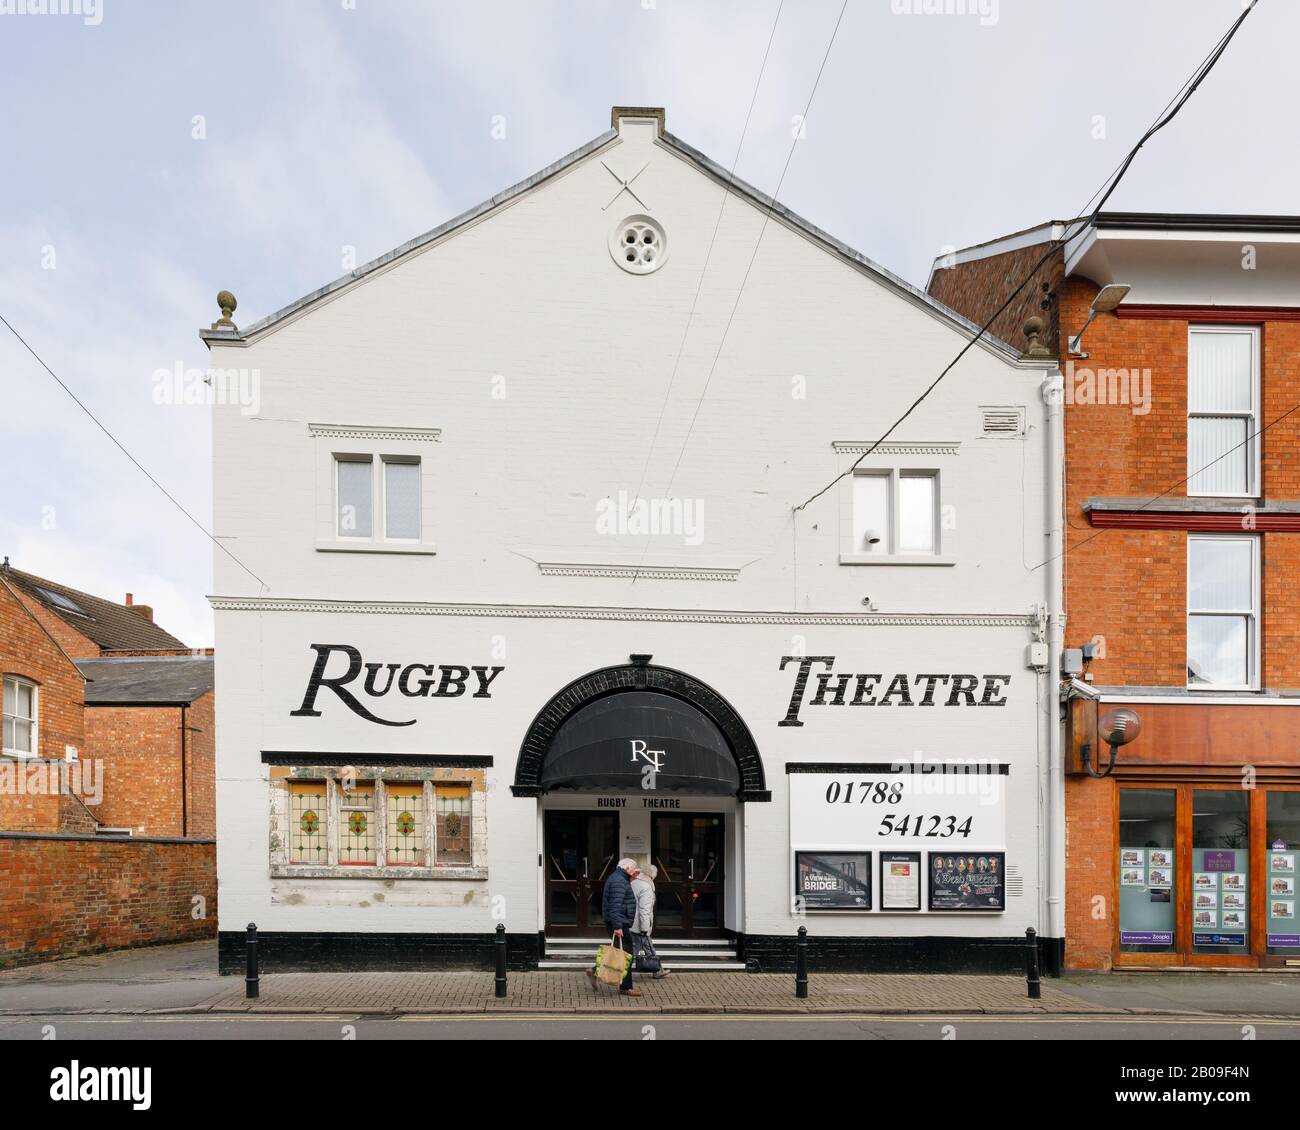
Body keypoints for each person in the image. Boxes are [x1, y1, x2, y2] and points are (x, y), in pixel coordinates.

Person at [596, 857, 641, 995]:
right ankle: (626, 987)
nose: (635, 871)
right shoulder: (619, 881)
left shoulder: (618, 878)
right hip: (619, 922)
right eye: (634, 868)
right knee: (627, 954)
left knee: (620, 952)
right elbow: (615, 906)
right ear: (627, 868)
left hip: (619, 921)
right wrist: (617, 926)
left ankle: (593, 971)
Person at [631, 864, 670, 979]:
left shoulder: (633, 883)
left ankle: (658, 970)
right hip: (639, 926)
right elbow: (644, 910)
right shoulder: (646, 887)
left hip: (632, 923)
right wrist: (645, 928)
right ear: (651, 875)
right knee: (634, 952)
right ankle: (611, 971)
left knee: (647, 948)